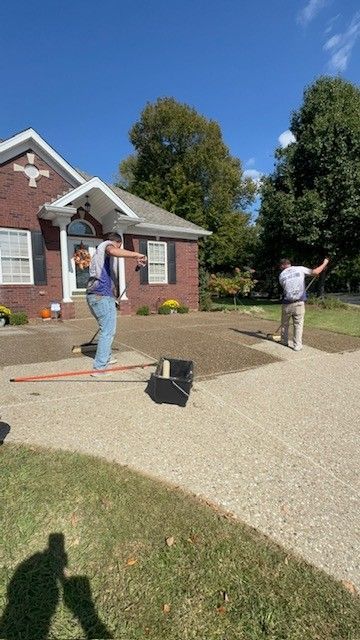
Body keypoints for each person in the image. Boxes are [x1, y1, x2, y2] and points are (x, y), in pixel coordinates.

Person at [86, 233, 147, 376]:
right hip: (101, 297)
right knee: (107, 332)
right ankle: (99, 368)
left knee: (105, 330)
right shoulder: (108, 246)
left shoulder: (98, 254)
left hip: (96, 296)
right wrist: (137, 254)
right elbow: (113, 251)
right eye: (119, 246)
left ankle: (106, 358)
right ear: (118, 243)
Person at [279, 257, 329, 351]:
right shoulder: (300, 268)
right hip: (299, 303)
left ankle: (284, 341)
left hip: (286, 303)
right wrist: (325, 263)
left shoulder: (281, 275)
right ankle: (297, 345)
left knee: (284, 324)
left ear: (282, 266)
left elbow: (286, 287)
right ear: (289, 264)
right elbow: (315, 272)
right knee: (298, 324)